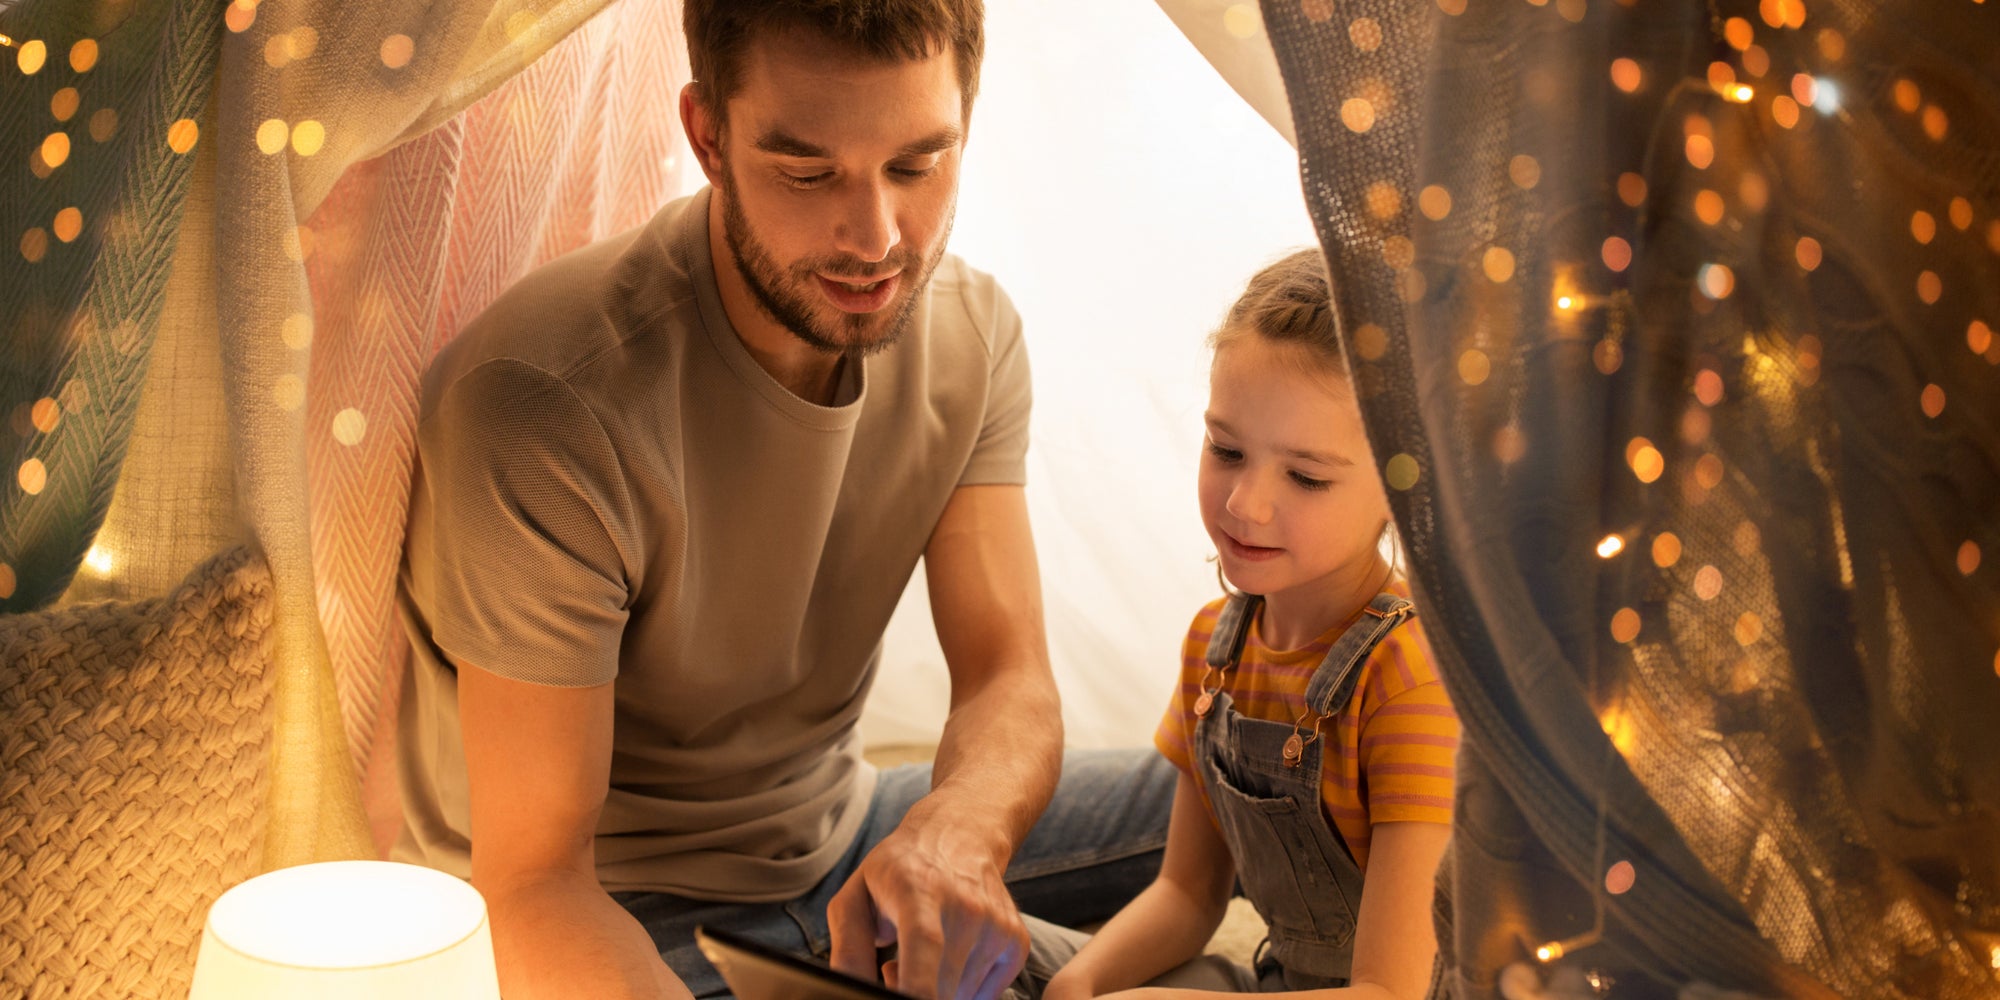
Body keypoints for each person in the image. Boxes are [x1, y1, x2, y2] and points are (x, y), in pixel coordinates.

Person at [390, 3, 1173, 998]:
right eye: (808, 174)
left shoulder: (971, 335)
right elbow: (534, 880)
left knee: (1278, 796)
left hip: (847, 841)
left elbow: (1007, 679)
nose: (876, 237)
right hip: (619, 908)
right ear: (707, 136)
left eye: (917, 164)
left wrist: (951, 837)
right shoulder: (547, 404)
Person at [1041, 250, 1460, 1000]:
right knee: (993, 952)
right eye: (1226, 450)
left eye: (1305, 476)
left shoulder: (1410, 677)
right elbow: (1187, 897)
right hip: (1273, 983)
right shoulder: (1215, 643)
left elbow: (1389, 993)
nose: (1245, 504)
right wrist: (1080, 985)